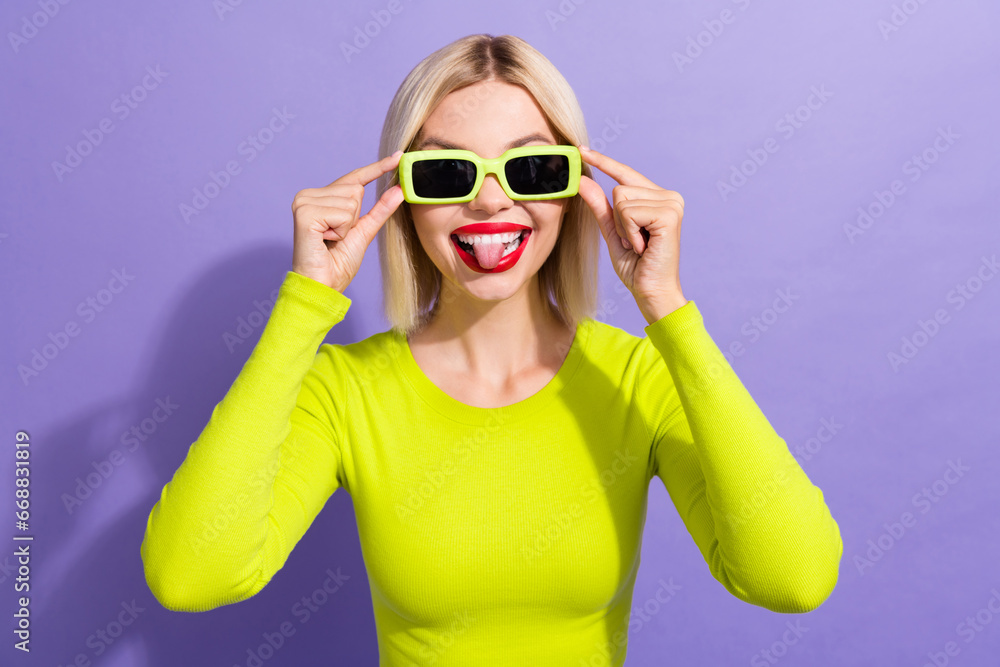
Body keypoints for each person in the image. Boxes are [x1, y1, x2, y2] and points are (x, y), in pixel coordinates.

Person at [140, 33, 843, 666]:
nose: (489, 201)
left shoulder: (639, 377)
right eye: (447, 174)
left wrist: (668, 308)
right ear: (402, 199)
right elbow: (190, 576)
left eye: (531, 170)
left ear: (574, 190)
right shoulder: (343, 389)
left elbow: (793, 577)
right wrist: (304, 305)